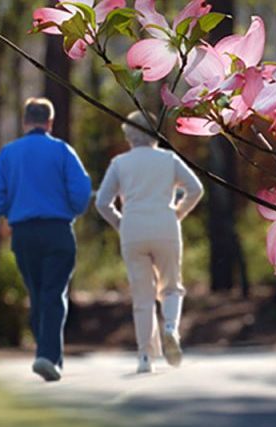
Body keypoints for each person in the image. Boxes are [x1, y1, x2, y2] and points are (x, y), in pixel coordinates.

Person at [0, 97, 92, 382]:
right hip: (57, 230)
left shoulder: (9, 154)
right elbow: (82, 192)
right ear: (50, 122)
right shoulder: (62, 151)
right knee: (54, 293)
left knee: (38, 294)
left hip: (24, 233)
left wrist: (10, 209)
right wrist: (69, 210)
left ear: (24, 121)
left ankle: (45, 355)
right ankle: (47, 356)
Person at [95, 111, 204, 374]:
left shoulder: (119, 164)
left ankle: (145, 357)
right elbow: (196, 188)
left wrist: (121, 222)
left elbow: (102, 202)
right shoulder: (168, 159)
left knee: (142, 296)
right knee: (171, 286)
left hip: (133, 229)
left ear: (128, 135)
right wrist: (178, 212)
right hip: (165, 225)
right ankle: (170, 329)